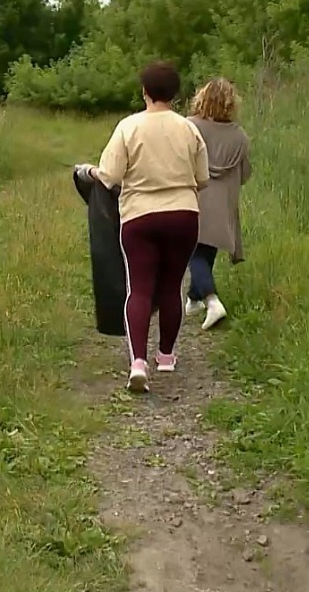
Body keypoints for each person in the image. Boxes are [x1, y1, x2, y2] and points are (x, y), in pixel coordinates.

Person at [77, 60, 210, 393]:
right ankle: (166, 356)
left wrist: (88, 172)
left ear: (144, 91)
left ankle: (138, 362)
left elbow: (109, 177)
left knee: (139, 288)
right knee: (170, 286)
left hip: (140, 216)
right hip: (183, 215)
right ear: (176, 94)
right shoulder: (189, 129)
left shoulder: (128, 127)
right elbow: (202, 179)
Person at [184, 78, 251, 330]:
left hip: (193, 197)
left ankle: (212, 301)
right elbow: (245, 174)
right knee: (205, 250)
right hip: (223, 204)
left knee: (192, 251)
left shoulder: (189, 127)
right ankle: (193, 299)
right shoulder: (240, 136)